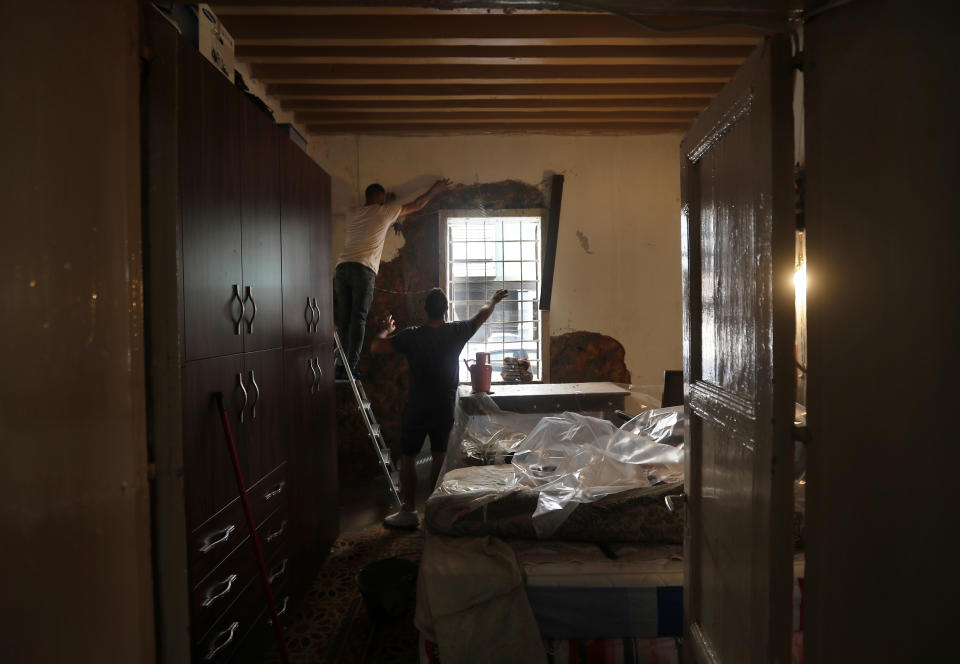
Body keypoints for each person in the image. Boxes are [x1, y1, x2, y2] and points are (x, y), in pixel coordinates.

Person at [370, 286, 509, 528]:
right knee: (439, 456)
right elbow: (482, 315)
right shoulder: (456, 331)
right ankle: (433, 512)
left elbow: (376, 347)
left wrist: (386, 330)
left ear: (425, 309)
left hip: (418, 405)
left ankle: (410, 511)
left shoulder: (412, 336)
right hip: (443, 405)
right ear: (446, 310)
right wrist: (493, 301)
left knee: (408, 457)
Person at [334, 179, 452, 379]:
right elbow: (418, 204)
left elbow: (372, 207)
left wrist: (384, 200)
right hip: (363, 269)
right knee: (358, 319)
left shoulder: (353, 213)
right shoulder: (384, 213)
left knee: (344, 320)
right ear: (380, 198)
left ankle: (340, 365)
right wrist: (435, 189)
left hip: (342, 268)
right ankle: (350, 368)